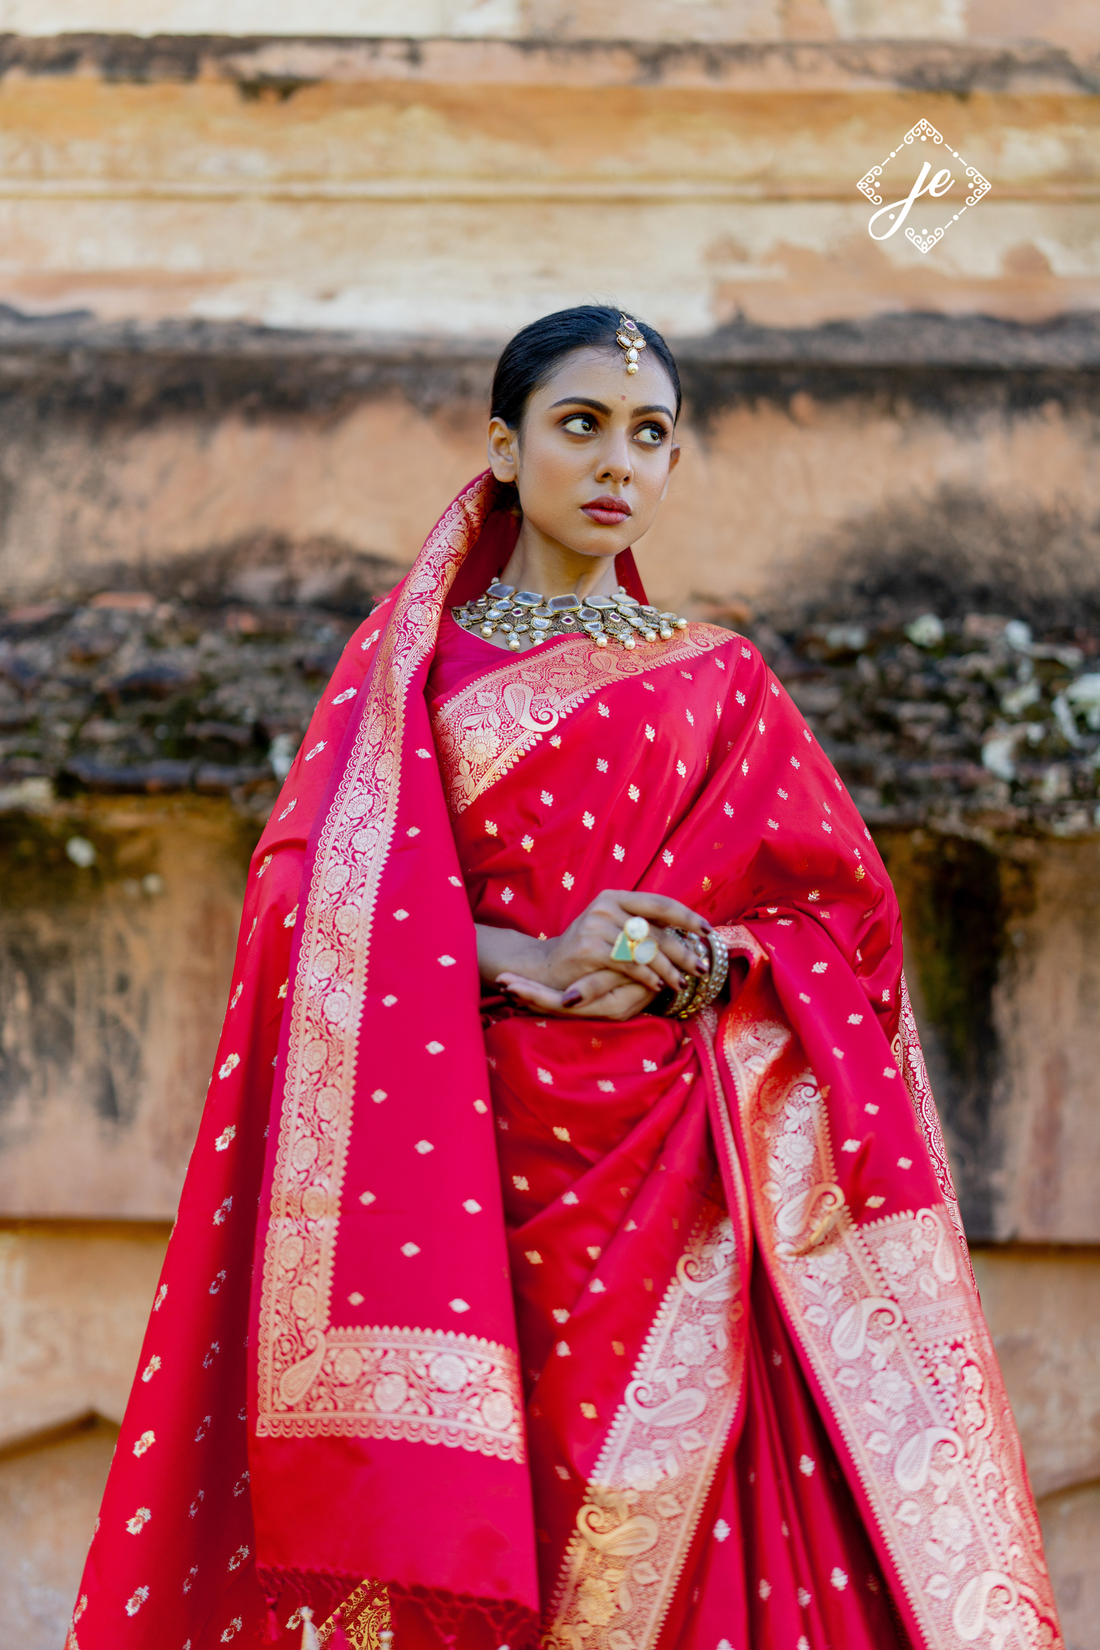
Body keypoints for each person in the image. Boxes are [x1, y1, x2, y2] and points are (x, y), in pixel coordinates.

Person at [68, 307, 1062, 1650]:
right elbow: (304, 897)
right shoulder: (415, 665)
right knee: (459, 1545)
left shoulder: (723, 684)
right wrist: (526, 957)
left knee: (681, 1543)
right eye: (580, 424)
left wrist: (704, 960)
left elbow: (842, 927)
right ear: (504, 444)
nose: (618, 462)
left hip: (681, 1182)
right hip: (452, 1162)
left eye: (650, 434)